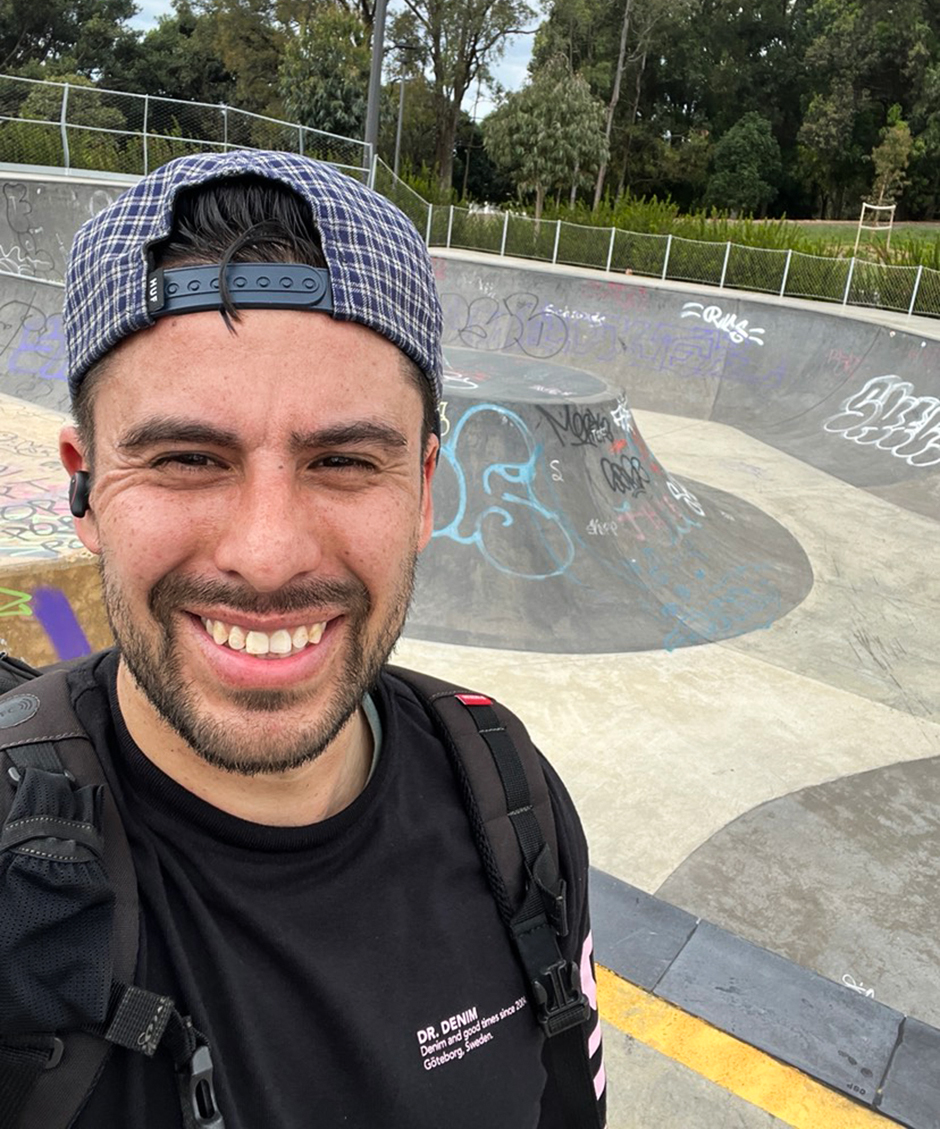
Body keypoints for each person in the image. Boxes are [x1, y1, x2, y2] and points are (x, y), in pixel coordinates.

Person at [31, 150, 605, 1127]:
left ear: (423, 489)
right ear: (85, 488)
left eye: (341, 458)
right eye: (184, 457)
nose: (267, 555)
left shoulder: (511, 802)